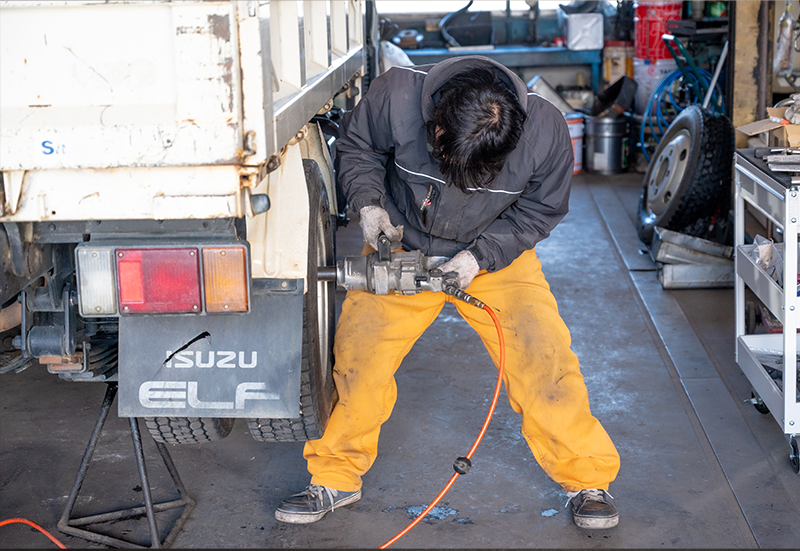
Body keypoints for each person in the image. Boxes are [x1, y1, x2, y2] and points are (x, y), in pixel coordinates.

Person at [275, 55, 621, 530]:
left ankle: (587, 479)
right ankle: (334, 478)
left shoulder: (546, 131)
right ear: (436, 127)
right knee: (359, 364)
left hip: (493, 260)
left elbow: (539, 212)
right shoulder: (396, 96)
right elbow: (358, 149)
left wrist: (480, 258)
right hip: (401, 249)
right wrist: (370, 205)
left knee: (546, 362)